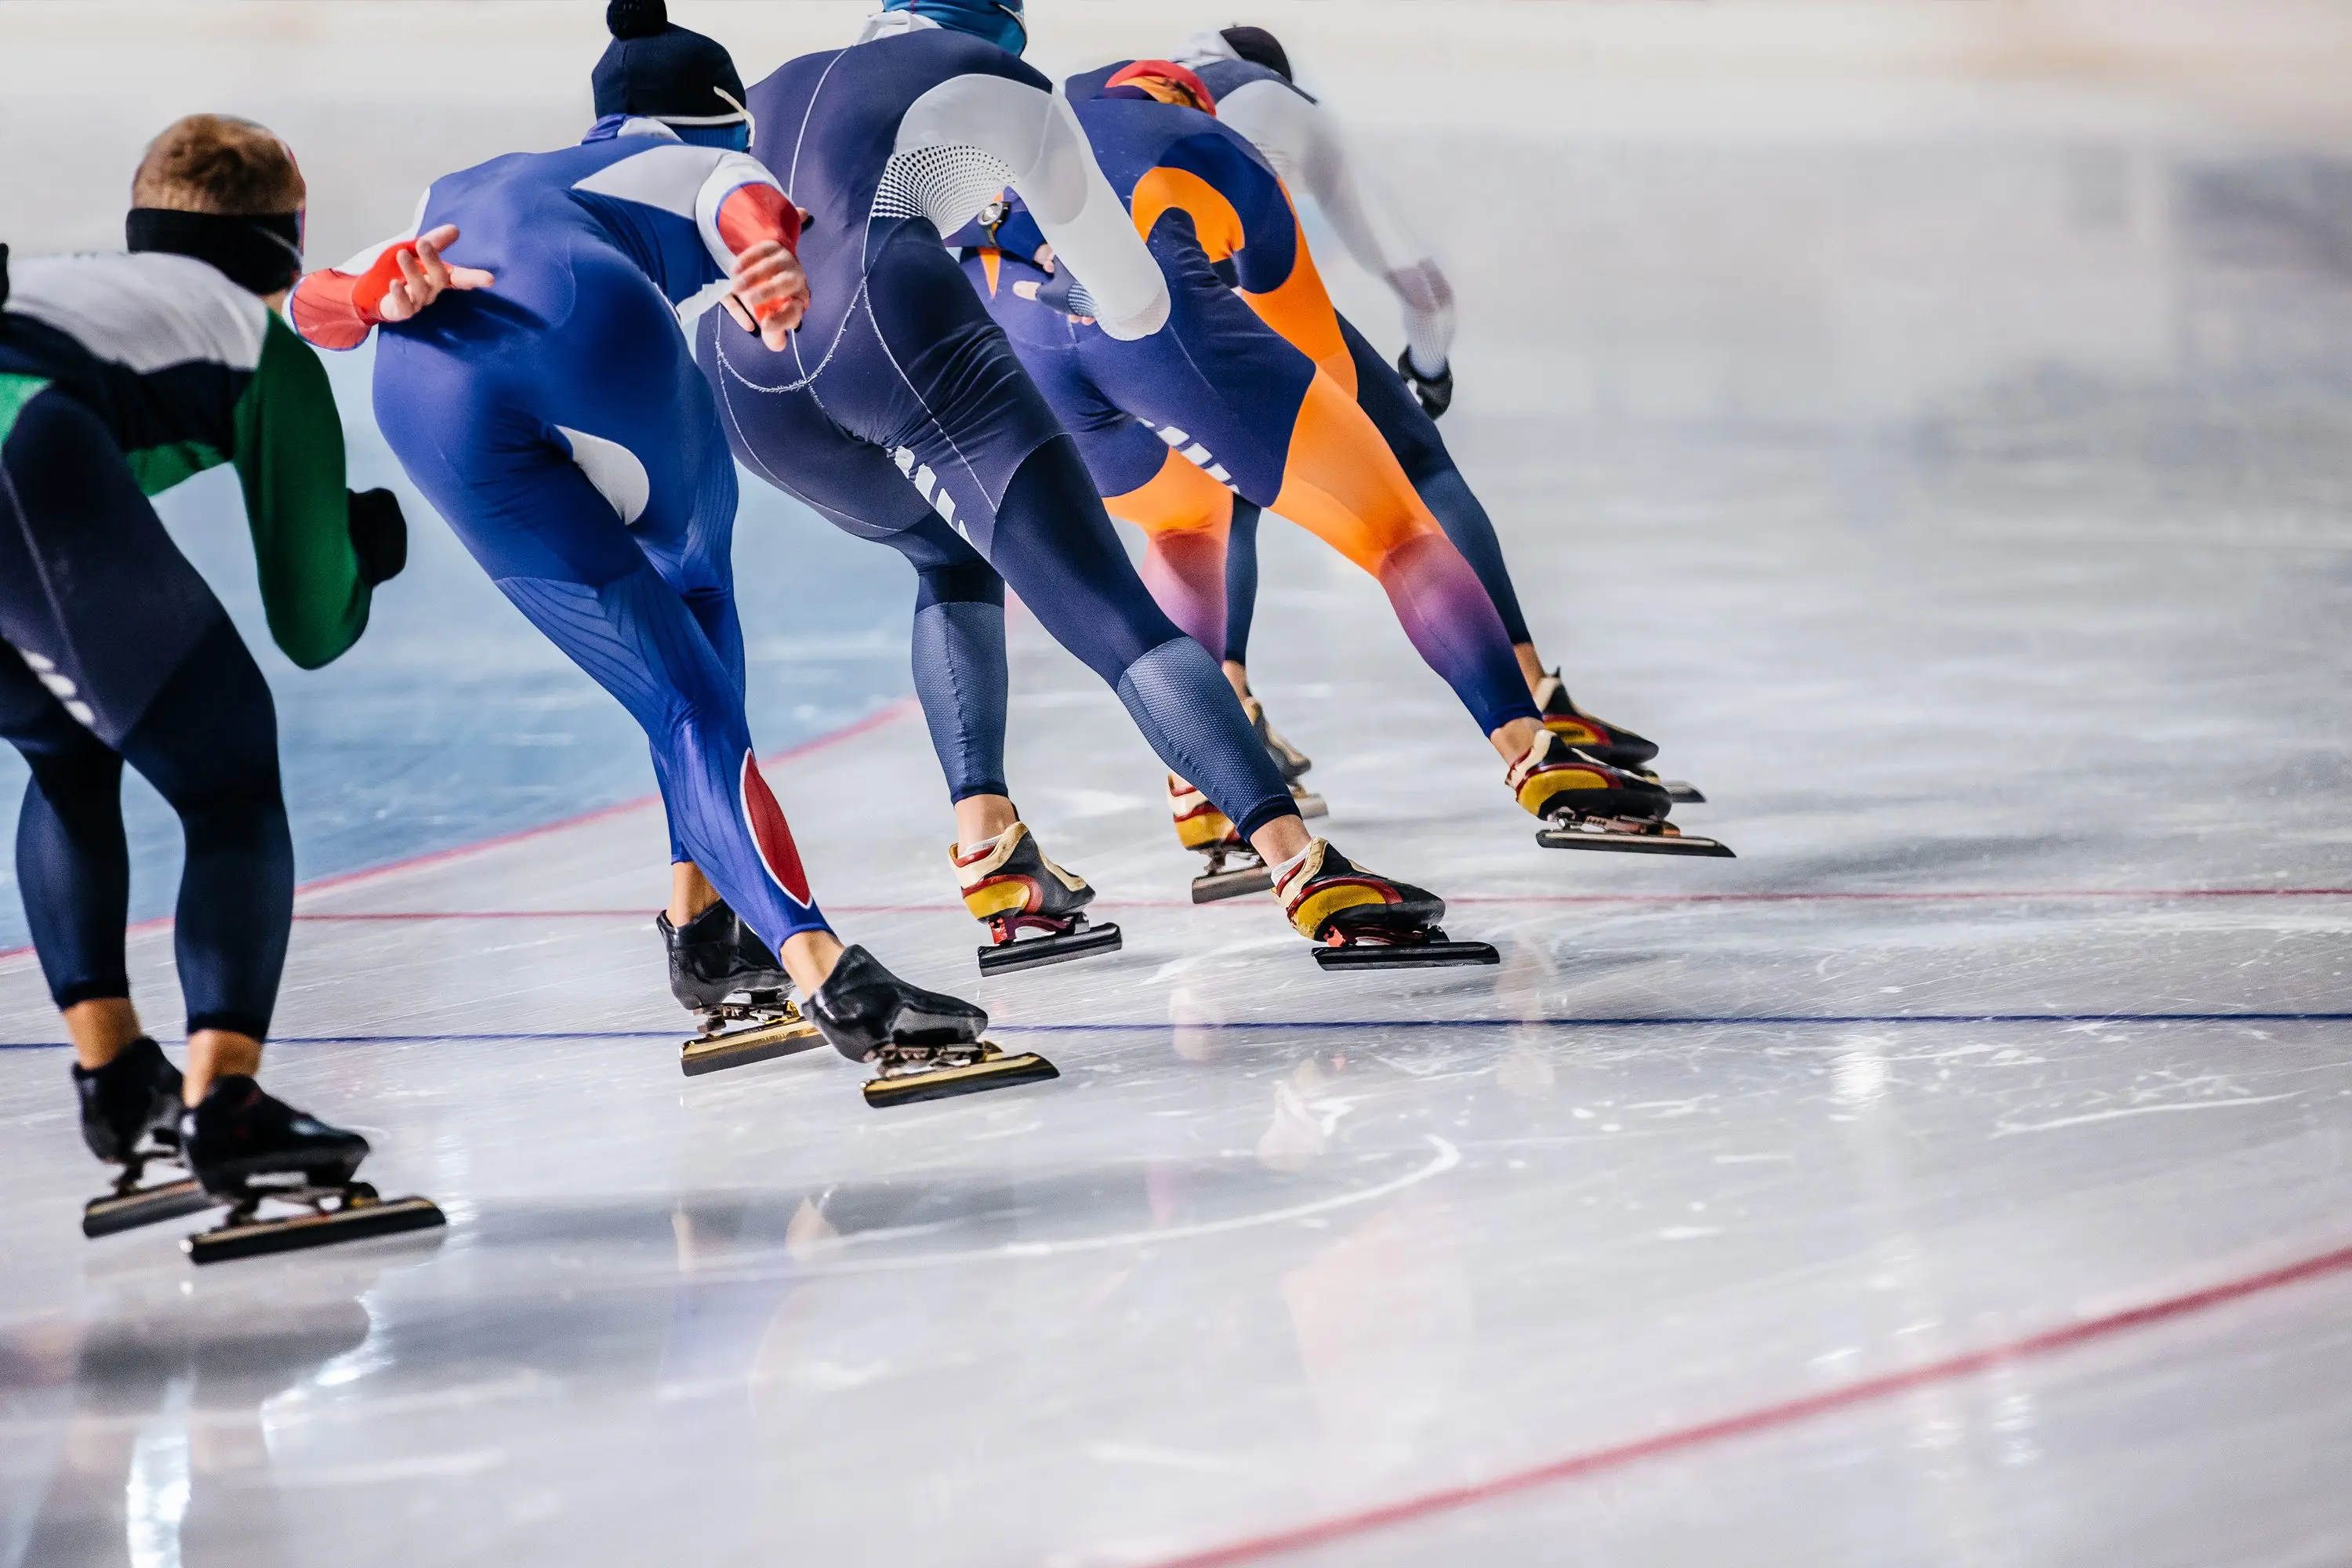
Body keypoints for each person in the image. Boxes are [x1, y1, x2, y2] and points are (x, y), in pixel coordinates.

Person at [294, 0, 1048, 1094]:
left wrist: (374, 291)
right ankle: (827, 971)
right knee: (697, 628)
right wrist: (770, 260)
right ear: (721, 114)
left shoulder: (466, 185)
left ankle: (706, 933)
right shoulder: (690, 156)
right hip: (589, 336)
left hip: (424, 384)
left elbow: (320, 306)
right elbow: (740, 200)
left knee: (665, 688)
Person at [695, 0, 1488, 964]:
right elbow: (1135, 304)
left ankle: (995, 857)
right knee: (1122, 619)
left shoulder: (773, 85)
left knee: (949, 558)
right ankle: (1303, 867)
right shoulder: (1005, 82)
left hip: (740, 372)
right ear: (1005, 31)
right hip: (883, 324)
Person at [946, 60, 1694, 876]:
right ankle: (1535, 755)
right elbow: (1321, 367)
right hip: (1151, 321)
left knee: (1183, 523)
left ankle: (1204, 790)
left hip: (1018, 347)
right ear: (1184, 96)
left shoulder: (1036, 129)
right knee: (1396, 525)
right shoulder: (1217, 146)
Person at [0, 114, 447, 1249]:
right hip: (30, 454)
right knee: (231, 778)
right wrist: (367, 552)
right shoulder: (261, 348)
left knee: (67, 747)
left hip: (32, 436)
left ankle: (116, 1080)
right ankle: (227, 1105)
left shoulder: (97, 297)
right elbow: (310, 624)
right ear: (290, 241)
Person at [1174, 27, 1672, 785]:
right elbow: (1426, 291)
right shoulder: (1285, 103)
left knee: (1212, 504)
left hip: (1100, 325)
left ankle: (1214, 743)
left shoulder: (1119, 94)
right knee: (1418, 465)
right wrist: (1427, 372)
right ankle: (1533, 696)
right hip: (1231, 305)